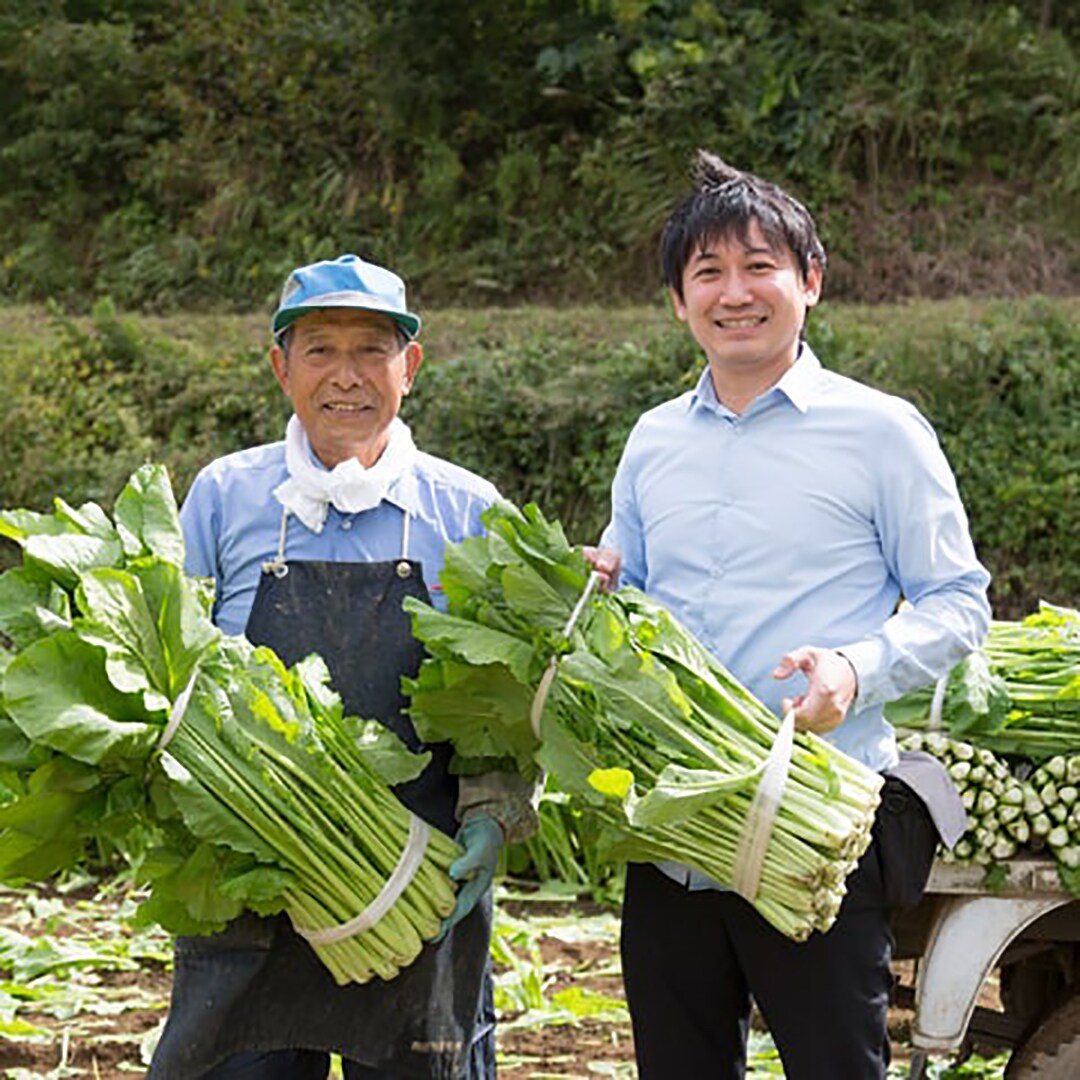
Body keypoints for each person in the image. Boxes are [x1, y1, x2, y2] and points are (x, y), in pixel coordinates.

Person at [599, 152, 992, 1079]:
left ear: (809, 282)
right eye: (708, 274)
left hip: (814, 824)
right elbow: (629, 601)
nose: (735, 293)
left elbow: (957, 602)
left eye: (759, 266)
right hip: (674, 830)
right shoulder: (654, 440)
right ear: (678, 301)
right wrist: (591, 591)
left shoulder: (880, 431)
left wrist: (855, 670)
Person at [148, 254, 537, 1080]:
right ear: (281, 366)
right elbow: (171, 669)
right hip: (253, 887)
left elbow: (502, 696)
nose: (346, 377)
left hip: (417, 889)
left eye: (372, 350)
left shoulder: (467, 509)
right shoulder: (224, 497)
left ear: (411, 367)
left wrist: (494, 810)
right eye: (319, 350)